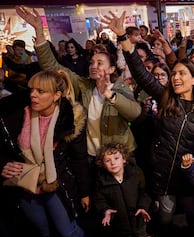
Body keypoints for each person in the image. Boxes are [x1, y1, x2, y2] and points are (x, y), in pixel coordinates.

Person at [104, 11, 194, 237]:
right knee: (166, 218)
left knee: (192, 216)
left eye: (182, 74)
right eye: (174, 73)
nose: (176, 78)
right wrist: (122, 38)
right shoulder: (166, 98)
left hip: (190, 176)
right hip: (164, 175)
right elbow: (141, 74)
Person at [16, 6, 141, 181]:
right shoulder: (84, 85)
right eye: (92, 62)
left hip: (118, 157)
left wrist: (109, 94)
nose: (93, 66)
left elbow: (134, 113)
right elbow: (54, 68)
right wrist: (39, 31)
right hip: (93, 157)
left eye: (99, 63)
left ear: (112, 68)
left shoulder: (120, 88)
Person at [0, 70, 96, 237]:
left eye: (40, 91)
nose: (33, 94)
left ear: (56, 95)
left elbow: (79, 159)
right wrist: (4, 163)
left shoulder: (69, 119)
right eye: (32, 89)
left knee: (68, 230)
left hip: (56, 184)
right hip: (26, 184)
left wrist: (85, 192)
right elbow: (3, 147)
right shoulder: (18, 114)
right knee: (43, 230)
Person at [94, 143, 152, 237]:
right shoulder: (102, 181)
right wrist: (105, 210)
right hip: (120, 225)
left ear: (124, 159)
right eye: (108, 160)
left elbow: (145, 193)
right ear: (103, 164)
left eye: (116, 158)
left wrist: (143, 206)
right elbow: (99, 199)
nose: (113, 163)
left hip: (138, 221)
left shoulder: (135, 173)